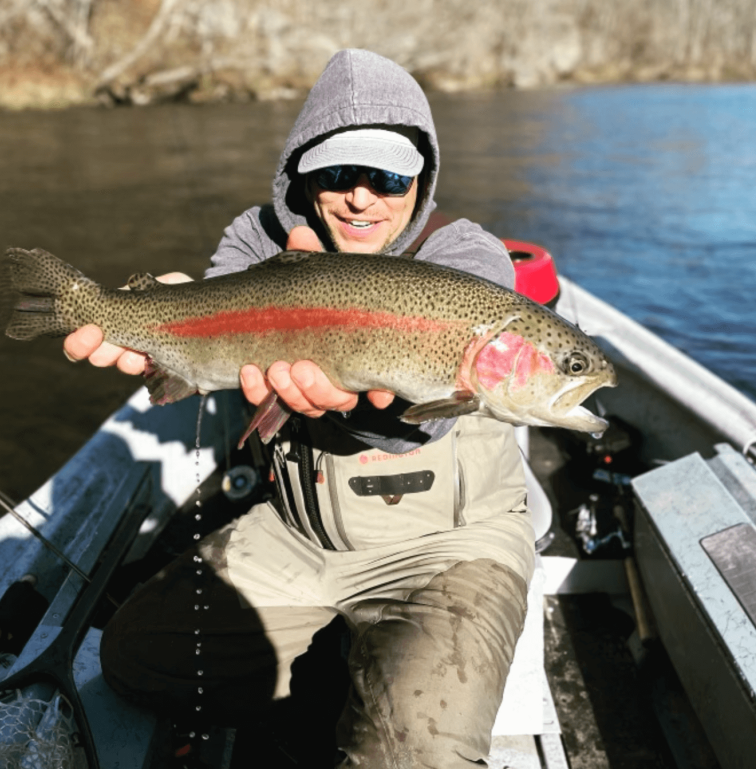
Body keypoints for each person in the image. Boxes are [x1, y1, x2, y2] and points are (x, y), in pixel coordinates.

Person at [65, 49, 534, 767]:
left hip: (449, 544)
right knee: (136, 661)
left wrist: (355, 404)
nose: (360, 198)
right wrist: (159, 319)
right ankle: (328, 672)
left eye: (386, 177)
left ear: (421, 179)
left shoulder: (465, 257)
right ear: (300, 174)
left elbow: (431, 415)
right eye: (337, 174)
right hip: (298, 530)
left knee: (417, 755)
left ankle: (370, 683)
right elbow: (216, 319)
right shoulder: (258, 239)